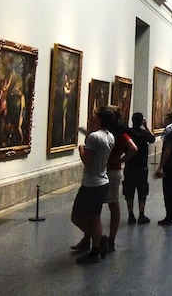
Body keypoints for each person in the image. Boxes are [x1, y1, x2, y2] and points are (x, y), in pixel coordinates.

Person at [71, 107, 115, 264]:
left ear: (100, 119)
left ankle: (97, 243)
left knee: (77, 216)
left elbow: (87, 160)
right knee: (94, 216)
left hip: (91, 183)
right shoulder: (110, 136)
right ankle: (96, 243)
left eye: (95, 114)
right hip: (102, 181)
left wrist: (81, 148)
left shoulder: (94, 137)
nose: (93, 116)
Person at [104, 107, 136, 252]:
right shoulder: (107, 130)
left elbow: (133, 148)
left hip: (112, 170)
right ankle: (92, 238)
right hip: (105, 169)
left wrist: (121, 160)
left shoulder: (120, 132)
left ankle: (110, 239)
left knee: (113, 204)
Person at [124, 112, 156, 224]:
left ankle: (130, 215)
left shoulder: (128, 133)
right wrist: (146, 126)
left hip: (129, 165)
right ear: (141, 121)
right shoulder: (144, 133)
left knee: (129, 191)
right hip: (142, 166)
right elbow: (152, 139)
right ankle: (141, 214)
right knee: (142, 190)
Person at [154, 112, 172, 226]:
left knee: (168, 191)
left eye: (166, 118)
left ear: (170, 120)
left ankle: (169, 216)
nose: (165, 120)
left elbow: (167, 150)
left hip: (170, 165)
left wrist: (160, 166)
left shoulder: (169, 132)